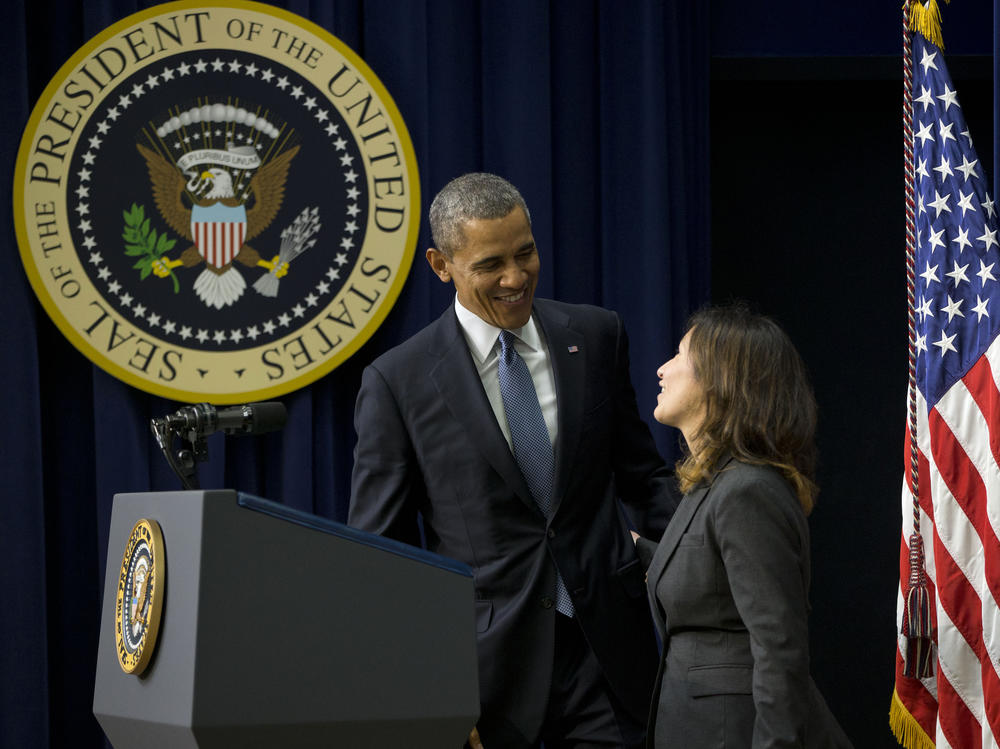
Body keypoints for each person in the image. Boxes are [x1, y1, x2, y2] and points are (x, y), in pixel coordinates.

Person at [349, 173, 678, 748]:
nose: (515, 277)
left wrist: (699, 571)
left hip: (609, 661)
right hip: (486, 683)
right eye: (490, 264)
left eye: (526, 252)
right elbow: (384, 561)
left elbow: (644, 476)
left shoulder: (596, 336)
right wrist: (433, 693)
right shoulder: (398, 383)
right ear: (440, 264)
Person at [632, 303, 852, 748]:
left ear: (720, 380)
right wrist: (630, 545)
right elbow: (713, 590)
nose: (662, 369)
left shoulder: (747, 490)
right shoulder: (717, 486)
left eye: (678, 356)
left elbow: (780, 649)